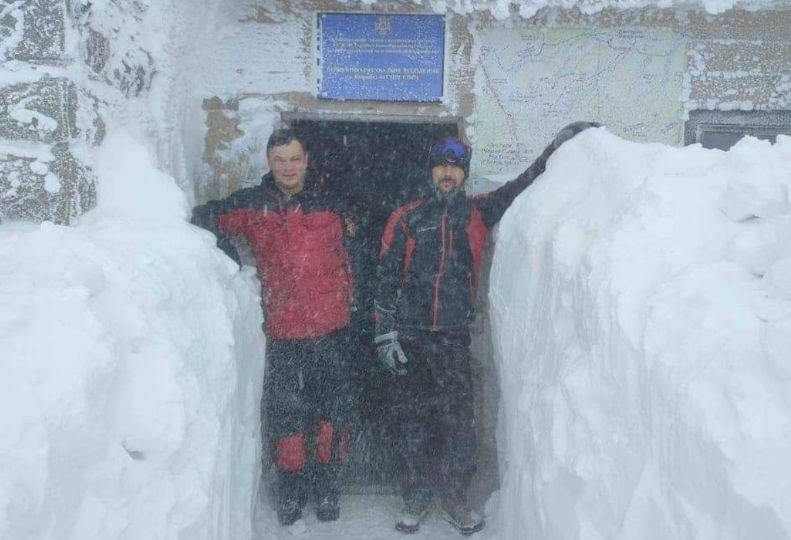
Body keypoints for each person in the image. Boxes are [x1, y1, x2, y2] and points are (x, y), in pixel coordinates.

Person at [374, 122, 598, 535]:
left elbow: (521, 185)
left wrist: (557, 144)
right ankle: (417, 495)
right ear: (431, 171)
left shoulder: (477, 212)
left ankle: (455, 497)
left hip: (453, 337)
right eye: (441, 166)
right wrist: (384, 333)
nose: (448, 173)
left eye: (455, 168)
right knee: (411, 420)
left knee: (458, 421)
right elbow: (385, 278)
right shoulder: (406, 218)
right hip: (410, 337)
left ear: (465, 173)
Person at [191, 128, 356, 526]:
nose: (287, 167)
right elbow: (203, 218)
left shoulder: (332, 203)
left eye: (294, 159)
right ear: (269, 161)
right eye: (280, 160)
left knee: (331, 413)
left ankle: (327, 485)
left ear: (306, 160)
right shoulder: (252, 203)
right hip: (282, 331)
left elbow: (358, 253)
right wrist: (231, 263)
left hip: (331, 328)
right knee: (286, 416)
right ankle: (292, 489)